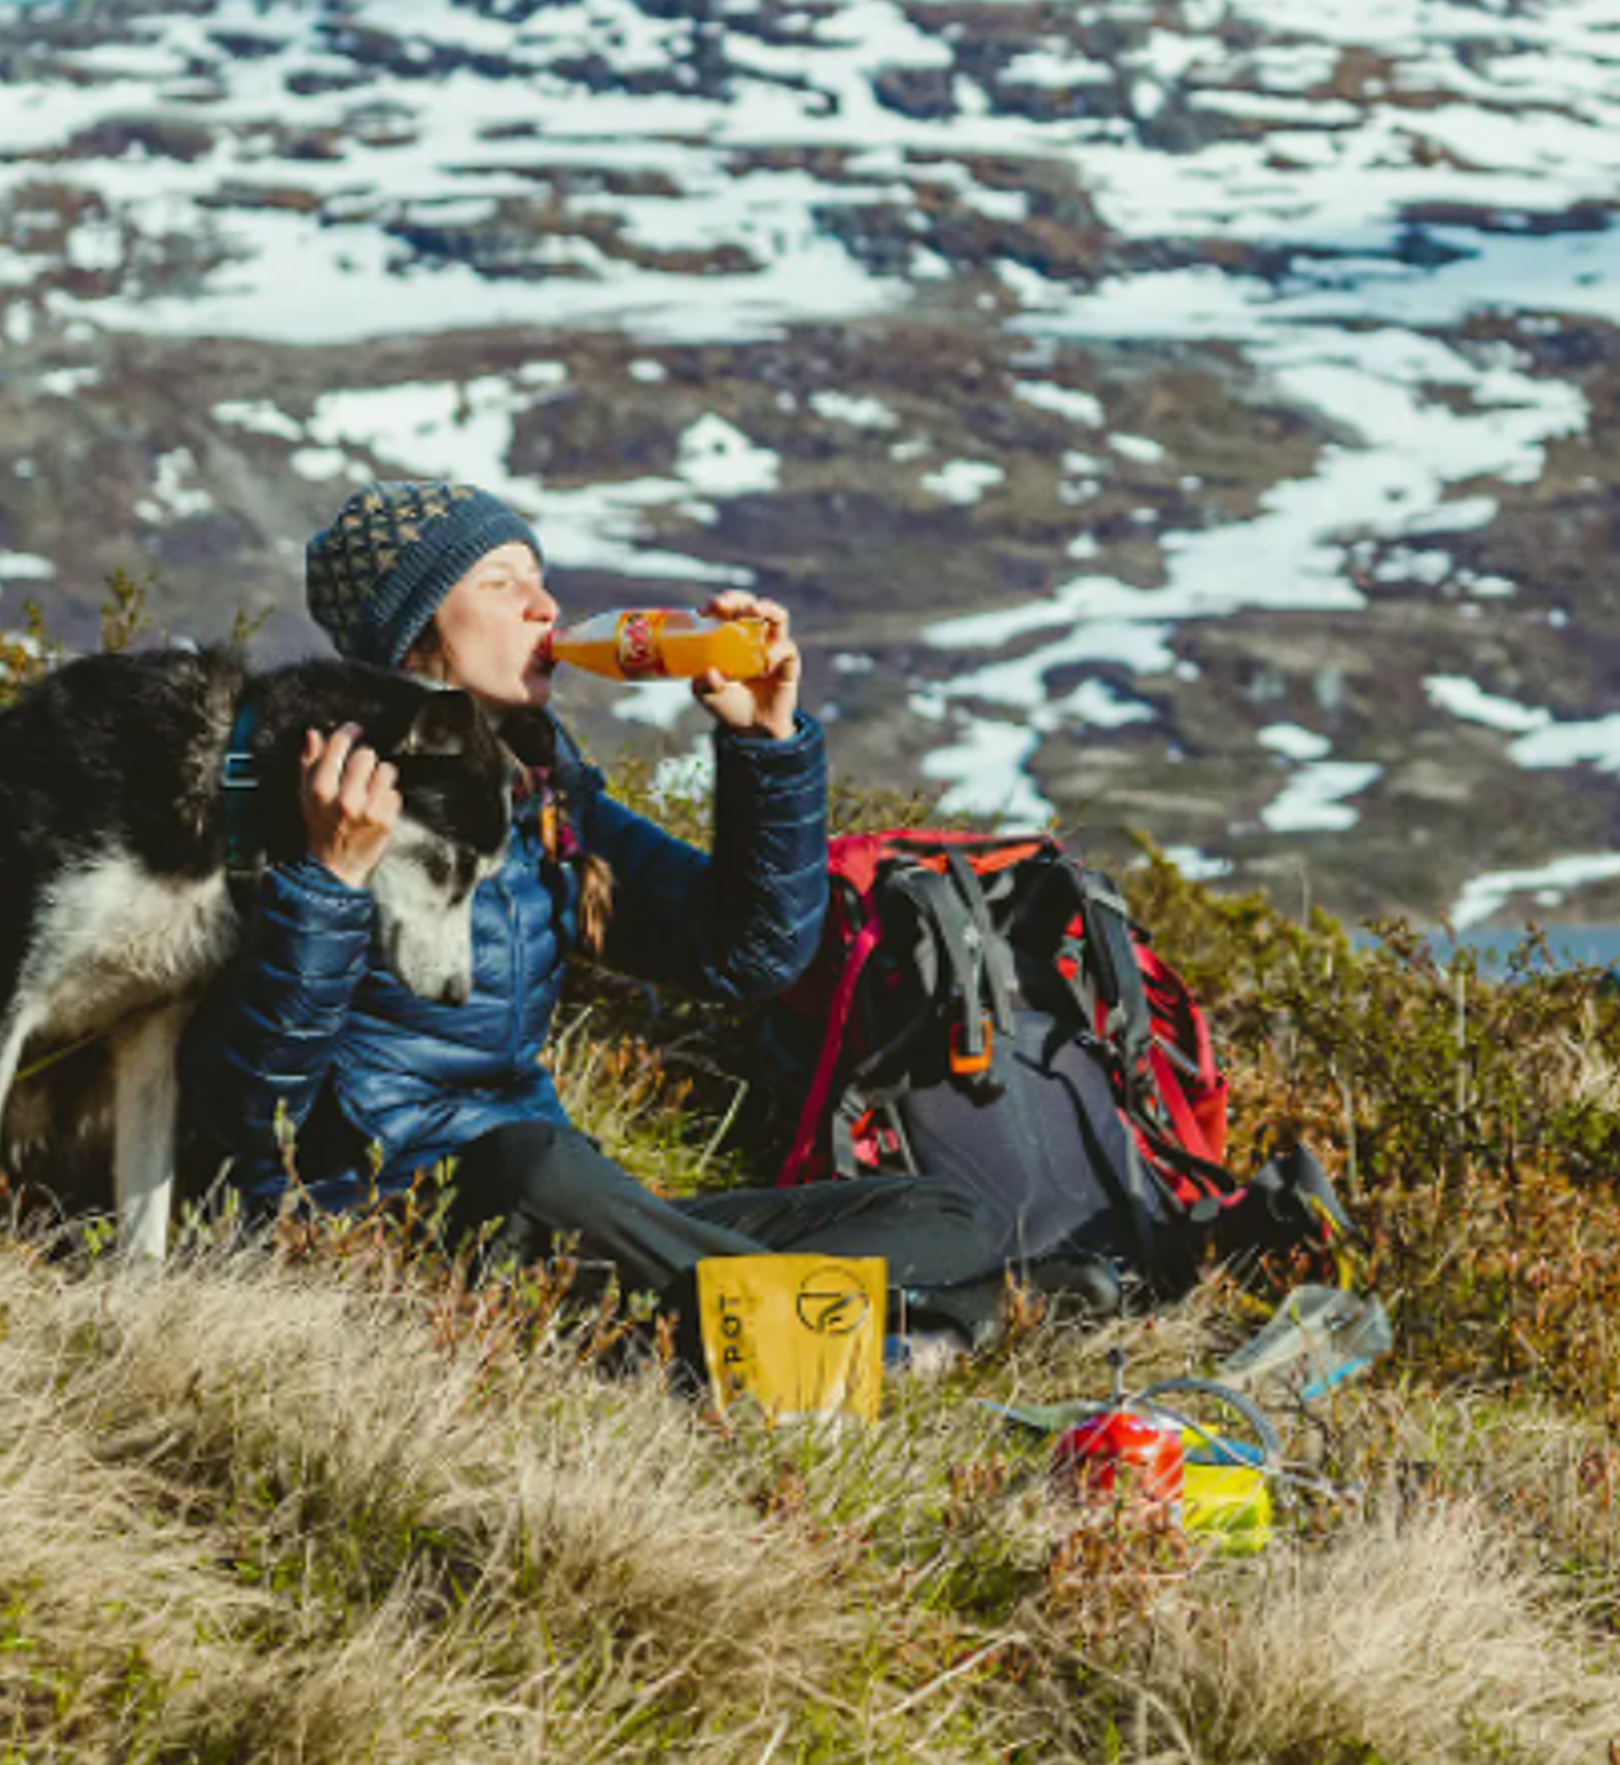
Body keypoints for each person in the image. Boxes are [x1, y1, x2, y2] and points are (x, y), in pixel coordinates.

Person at [180, 478, 1012, 1359]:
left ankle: (740, 1342)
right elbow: (246, 1108)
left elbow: (749, 954)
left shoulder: (544, 797)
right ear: (416, 629)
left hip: (565, 1217)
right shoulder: (313, 790)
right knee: (536, 1167)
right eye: (500, 584)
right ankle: (859, 1342)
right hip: (393, 1222)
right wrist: (328, 884)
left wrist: (765, 747)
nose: (546, 608)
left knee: (942, 1208)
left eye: (539, 578)